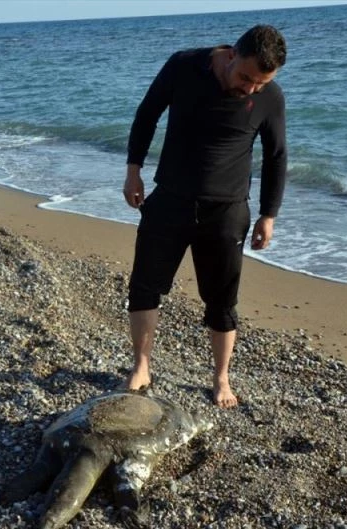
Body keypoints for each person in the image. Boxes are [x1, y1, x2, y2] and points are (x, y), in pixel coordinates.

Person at [122, 25, 288, 409]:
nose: (250, 89)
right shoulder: (184, 66)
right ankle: (142, 366)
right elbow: (147, 113)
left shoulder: (270, 98)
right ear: (231, 54)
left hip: (227, 210)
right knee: (145, 285)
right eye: (246, 77)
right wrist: (133, 170)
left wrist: (268, 214)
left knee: (222, 300)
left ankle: (221, 378)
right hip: (170, 199)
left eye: (260, 84)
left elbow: (276, 156)